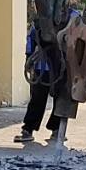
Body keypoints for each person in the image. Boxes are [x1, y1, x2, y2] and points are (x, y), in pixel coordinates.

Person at [16, 10, 67, 144]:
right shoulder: (41, 20)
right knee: (37, 98)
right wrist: (29, 59)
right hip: (42, 66)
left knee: (60, 98)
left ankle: (56, 128)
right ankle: (28, 128)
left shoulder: (71, 17)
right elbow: (31, 40)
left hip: (62, 66)